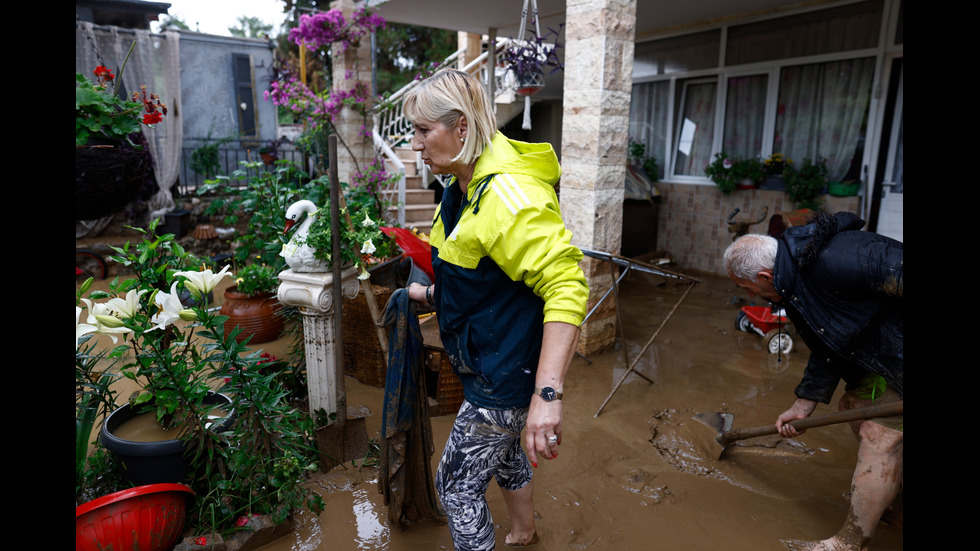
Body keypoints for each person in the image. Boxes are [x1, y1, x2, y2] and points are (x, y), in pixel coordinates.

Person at [403, 69, 589, 550]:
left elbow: (567, 286)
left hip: (505, 373)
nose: (416, 144)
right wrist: (426, 296)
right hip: (488, 356)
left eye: (424, 131)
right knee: (506, 454)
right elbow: (479, 275)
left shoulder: (507, 195)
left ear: (460, 127)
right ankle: (525, 532)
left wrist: (547, 397)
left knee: (456, 487)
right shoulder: (461, 188)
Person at [724, 212, 903, 551]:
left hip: (899, 350)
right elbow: (826, 344)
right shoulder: (793, 285)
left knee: (879, 434)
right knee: (854, 407)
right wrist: (802, 405)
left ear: (764, 276)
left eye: (748, 289)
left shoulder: (842, 258)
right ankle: (893, 500)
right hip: (882, 354)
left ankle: (850, 543)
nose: (751, 296)